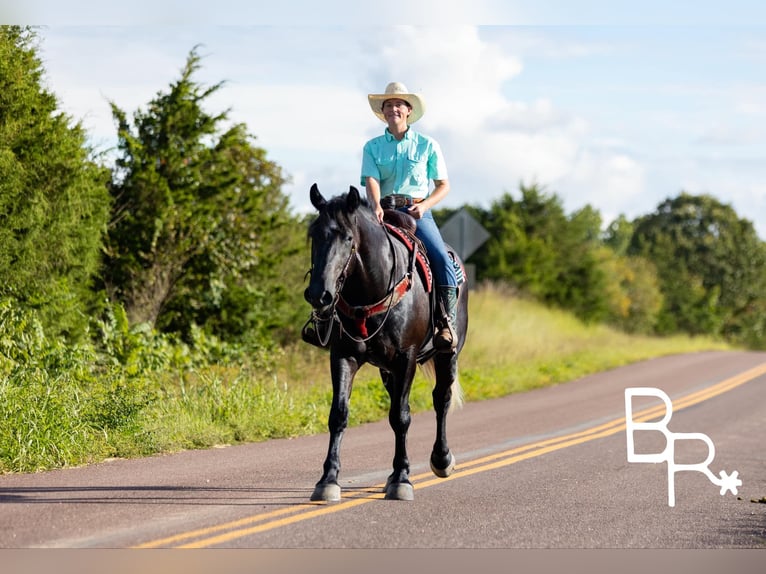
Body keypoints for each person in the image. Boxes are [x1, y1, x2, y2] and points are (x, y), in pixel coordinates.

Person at [361, 81, 459, 351]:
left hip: (416, 211)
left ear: (408, 111)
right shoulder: (372, 147)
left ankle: (445, 321)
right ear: (383, 112)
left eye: (398, 104)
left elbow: (443, 185)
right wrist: (375, 205)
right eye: (388, 105)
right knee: (351, 251)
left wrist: (425, 205)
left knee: (439, 256)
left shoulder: (428, 145)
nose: (393, 108)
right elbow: (370, 179)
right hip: (383, 211)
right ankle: (333, 320)